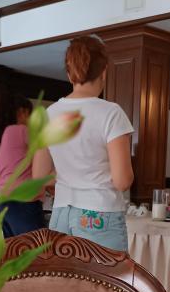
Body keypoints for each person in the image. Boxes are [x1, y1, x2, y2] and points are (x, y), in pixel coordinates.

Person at [32, 36, 134, 252]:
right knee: (106, 275)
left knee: (65, 275)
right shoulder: (111, 113)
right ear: (104, 71)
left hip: (61, 213)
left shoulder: (49, 114)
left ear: (70, 74)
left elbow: (39, 176)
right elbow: (123, 181)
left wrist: (70, 172)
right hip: (100, 213)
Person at [0, 95, 45, 237]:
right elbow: (44, 154)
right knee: (36, 247)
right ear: (22, 112)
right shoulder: (22, 131)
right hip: (23, 202)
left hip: (3, 202)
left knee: (14, 248)